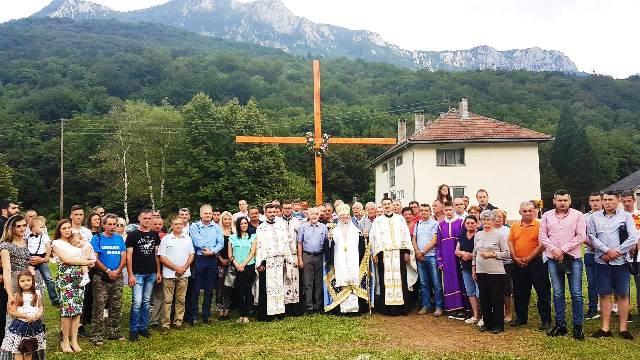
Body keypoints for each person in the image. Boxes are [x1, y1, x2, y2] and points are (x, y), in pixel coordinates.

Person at [588, 191, 638, 340]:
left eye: (610, 199)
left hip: (621, 261)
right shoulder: (594, 217)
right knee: (604, 294)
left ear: (618, 201)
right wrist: (606, 251)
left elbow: (633, 237)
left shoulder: (626, 217)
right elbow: (591, 237)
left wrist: (616, 251)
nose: (607, 202)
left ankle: (623, 328)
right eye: (605, 200)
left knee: (623, 294)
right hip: (602, 260)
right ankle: (605, 328)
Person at [539, 190, 586, 340]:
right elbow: (542, 236)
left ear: (570, 201)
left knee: (576, 293)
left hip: (573, 258)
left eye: (565, 200)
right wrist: (554, 250)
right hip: (554, 259)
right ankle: (561, 325)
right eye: (559, 200)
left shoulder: (578, 215)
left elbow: (581, 236)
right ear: (554, 201)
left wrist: (563, 249)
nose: (562, 203)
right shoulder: (546, 216)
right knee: (558, 293)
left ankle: (578, 326)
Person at [0, 215, 46, 359]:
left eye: (23, 225)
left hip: (32, 282)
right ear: (11, 227)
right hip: (15, 284)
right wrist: (9, 294)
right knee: (15, 319)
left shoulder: (27, 242)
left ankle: (33, 353)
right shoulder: (5, 245)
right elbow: (7, 270)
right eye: (18, 226)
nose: (21, 228)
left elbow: (37, 258)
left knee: (35, 314)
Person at [51, 219, 94, 352]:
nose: (67, 230)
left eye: (69, 227)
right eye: (64, 228)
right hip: (66, 277)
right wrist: (86, 262)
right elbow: (67, 260)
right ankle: (65, 341)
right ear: (59, 230)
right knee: (67, 310)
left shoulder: (75, 241)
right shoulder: (56, 243)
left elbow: (86, 250)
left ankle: (74, 340)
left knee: (77, 310)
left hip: (79, 277)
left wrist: (86, 261)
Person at [369, 197, 417, 316]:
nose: (386, 206)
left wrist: (406, 251)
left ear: (392, 205)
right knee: (384, 280)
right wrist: (375, 252)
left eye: (388, 204)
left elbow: (405, 235)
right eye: (384, 204)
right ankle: (387, 309)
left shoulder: (400, 219)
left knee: (401, 279)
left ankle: (402, 308)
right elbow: (373, 237)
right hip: (383, 254)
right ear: (381, 206)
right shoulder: (377, 221)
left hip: (399, 254)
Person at [508, 201, 552, 330]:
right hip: (518, 264)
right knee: (519, 292)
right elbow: (510, 241)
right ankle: (521, 318)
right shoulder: (514, 226)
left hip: (536, 263)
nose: (527, 213)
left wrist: (529, 258)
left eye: (530, 210)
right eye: (524, 211)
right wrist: (515, 257)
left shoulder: (540, 225)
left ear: (534, 211)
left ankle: (546, 320)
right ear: (520, 212)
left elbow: (542, 244)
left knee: (542, 292)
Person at [324, 204, 369, 314]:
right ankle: (341, 309)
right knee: (342, 281)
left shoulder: (357, 231)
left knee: (353, 281)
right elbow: (328, 248)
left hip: (353, 262)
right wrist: (329, 240)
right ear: (338, 218)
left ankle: (355, 309)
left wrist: (365, 238)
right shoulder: (333, 231)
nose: (345, 220)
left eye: (347, 217)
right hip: (339, 261)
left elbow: (362, 248)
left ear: (350, 217)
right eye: (342, 218)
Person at [90, 214, 126, 346]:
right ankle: (96, 335)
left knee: (116, 305)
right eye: (109, 224)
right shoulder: (97, 238)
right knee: (99, 306)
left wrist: (117, 270)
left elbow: (123, 256)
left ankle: (113, 332)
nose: (112, 227)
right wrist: (107, 271)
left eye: (114, 224)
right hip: (101, 277)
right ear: (103, 225)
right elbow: (95, 258)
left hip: (117, 276)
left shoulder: (119, 239)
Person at [126, 209, 162, 341]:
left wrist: (158, 271)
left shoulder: (154, 235)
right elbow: (129, 256)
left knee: (146, 302)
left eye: (149, 218)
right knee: (137, 302)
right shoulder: (133, 235)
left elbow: (156, 255)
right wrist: (130, 274)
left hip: (151, 273)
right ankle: (134, 329)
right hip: (137, 273)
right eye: (145, 218)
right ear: (139, 219)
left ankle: (143, 327)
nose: (147, 220)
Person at [472, 210, 510, 334]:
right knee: (484, 297)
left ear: (494, 221)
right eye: (483, 219)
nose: (486, 222)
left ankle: (498, 324)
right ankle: (487, 322)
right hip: (481, 270)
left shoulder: (500, 235)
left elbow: (507, 253)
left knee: (496, 298)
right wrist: (474, 268)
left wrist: (492, 254)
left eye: (488, 219)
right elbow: (474, 253)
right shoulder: (478, 235)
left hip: (496, 272)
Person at [256, 204, 295, 321]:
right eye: (270, 212)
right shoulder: (261, 228)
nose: (272, 214)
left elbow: (285, 243)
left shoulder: (281, 226)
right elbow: (259, 246)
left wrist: (288, 259)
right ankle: (267, 314)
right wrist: (260, 263)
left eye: (274, 212)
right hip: (267, 262)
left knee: (280, 286)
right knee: (266, 287)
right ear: (265, 213)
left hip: (279, 261)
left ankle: (279, 312)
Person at [187, 205, 223, 325]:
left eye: (210, 213)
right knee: (196, 289)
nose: (208, 215)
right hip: (199, 259)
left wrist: (212, 251)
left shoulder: (217, 227)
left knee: (209, 289)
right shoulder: (194, 227)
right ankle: (194, 316)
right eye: (205, 213)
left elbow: (221, 243)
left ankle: (206, 315)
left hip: (212, 259)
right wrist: (207, 248)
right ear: (201, 214)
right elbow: (197, 241)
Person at [158, 216, 194, 330]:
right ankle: (166, 324)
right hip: (169, 274)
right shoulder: (166, 239)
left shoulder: (187, 238)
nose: (178, 226)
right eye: (176, 224)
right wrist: (176, 268)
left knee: (181, 299)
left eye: (180, 224)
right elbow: (162, 257)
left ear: (183, 225)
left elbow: (191, 255)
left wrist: (183, 268)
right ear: (171, 226)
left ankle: (178, 322)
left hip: (184, 274)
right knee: (167, 300)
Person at [1, 270, 46, 360]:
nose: (26, 283)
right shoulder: (18, 296)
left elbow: (40, 306)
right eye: (22, 281)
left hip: (34, 325)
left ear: (32, 281)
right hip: (21, 326)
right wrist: (25, 316)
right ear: (18, 283)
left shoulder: (37, 294)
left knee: (29, 349)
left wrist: (39, 314)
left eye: (28, 280)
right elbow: (11, 312)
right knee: (19, 349)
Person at [436, 201, 467, 319]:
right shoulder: (441, 225)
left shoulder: (461, 223)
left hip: (458, 258)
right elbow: (438, 245)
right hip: (447, 260)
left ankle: (463, 308)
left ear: (454, 209)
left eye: (450, 210)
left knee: (461, 282)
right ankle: (453, 308)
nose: (448, 212)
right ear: (443, 211)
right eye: (446, 210)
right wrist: (440, 260)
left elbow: (464, 240)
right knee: (450, 282)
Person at [412, 204, 443, 316]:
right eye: (422, 210)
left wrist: (423, 252)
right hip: (420, 257)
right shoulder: (417, 224)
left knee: (436, 283)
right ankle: (426, 305)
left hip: (431, 256)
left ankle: (439, 306)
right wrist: (417, 252)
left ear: (430, 212)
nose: (424, 212)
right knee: (424, 283)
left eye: (426, 210)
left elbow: (435, 240)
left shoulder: (435, 224)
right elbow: (414, 239)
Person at [297, 207, 328, 313]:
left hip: (320, 256)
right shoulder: (303, 227)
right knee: (308, 281)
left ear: (319, 215)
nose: (314, 216)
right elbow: (299, 243)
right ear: (308, 215)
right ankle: (309, 306)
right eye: (312, 214)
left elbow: (326, 243)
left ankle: (318, 305)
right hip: (307, 256)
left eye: (316, 213)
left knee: (319, 282)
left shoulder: (324, 227)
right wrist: (300, 259)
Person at [25, 216, 59, 306]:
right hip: (31, 259)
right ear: (33, 228)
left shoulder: (44, 236)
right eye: (41, 227)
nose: (43, 228)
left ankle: (54, 298)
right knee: (31, 278)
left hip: (41, 257)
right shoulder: (28, 236)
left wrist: (47, 257)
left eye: (43, 226)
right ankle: (31, 298)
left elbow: (48, 246)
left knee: (48, 278)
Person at [229, 217, 257, 324]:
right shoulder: (232, 238)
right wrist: (237, 264)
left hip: (248, 266)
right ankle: (240, 314)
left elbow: (252, 252)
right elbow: (230, 254)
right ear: (238, 225)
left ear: (248, 224)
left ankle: (246, 315)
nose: (243, 225)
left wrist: (243, 264)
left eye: (245, 223)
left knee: (247, 290)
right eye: (241, 224)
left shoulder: (253, 237)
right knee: (238, 290)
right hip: (236, 267)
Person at [456, 215, 480, 324]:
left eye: (472, 223)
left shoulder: (479, 235)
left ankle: (484, 316)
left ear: (477, 223)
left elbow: (480, 250)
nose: (470, 225)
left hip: (478, 267)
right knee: (470, 292)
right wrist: (463, 253)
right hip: (465, 267)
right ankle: (475, 316)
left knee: (480, 292)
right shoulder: (462, 236)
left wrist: (470, 255)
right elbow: (456, 251)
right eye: (468, 223)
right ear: (465, 224)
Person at [621, 190, 640, 320]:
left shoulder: (639, 215)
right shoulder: (619, 217)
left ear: (634, 200)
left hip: (639, 257)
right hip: (622, 257)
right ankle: (625, 312)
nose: (627, 203)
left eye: (629, 201)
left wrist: (637, 243)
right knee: (623, 286)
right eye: (624, 201)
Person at [281, 200, 302, 316]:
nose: (287, 210)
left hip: (294, 255)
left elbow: (300, 241)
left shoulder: (297, 222)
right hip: (283, 256)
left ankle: (296, 308)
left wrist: (299, 257)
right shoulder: (278, 222)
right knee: (285, 280)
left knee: (295, 280)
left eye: (289, 208)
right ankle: (286, 308)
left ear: (293, 209)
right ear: (282, 209)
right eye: (285, 208)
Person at [583, 192, 603, 321]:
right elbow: (582, 235)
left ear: (602, 201)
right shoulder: (584, 217)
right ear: (589, 202)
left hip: (606, 254)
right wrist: (596, 246)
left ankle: (610, 306)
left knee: (608, 282)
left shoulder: (607, 215)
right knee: (592, 282)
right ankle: (593, 308)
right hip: (590, 253)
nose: (595, 203)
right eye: (592, 200)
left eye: (597, 200)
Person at [493, 209, 513, 323]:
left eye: (499, 217)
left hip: (506, 264)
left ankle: (509, 313)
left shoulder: (508, 230)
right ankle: (498, 312)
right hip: (493, 264)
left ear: (503, 218)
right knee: (496, 290)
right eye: (495, 216)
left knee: (506, 290)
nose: (497, 218)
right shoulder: (488, 230)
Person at [216, 211, 234, 320]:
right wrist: (221, 259)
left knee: (229, 286)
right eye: (225, 219)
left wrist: (230, 260)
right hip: (220, 262)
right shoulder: (218, 232)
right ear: (222, 220)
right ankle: (220, 310)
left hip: (231, 263)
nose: (227, 221)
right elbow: (214, 247)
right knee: (220, 287)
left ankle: (227, 309)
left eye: (229, 219)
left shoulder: (234, 232)